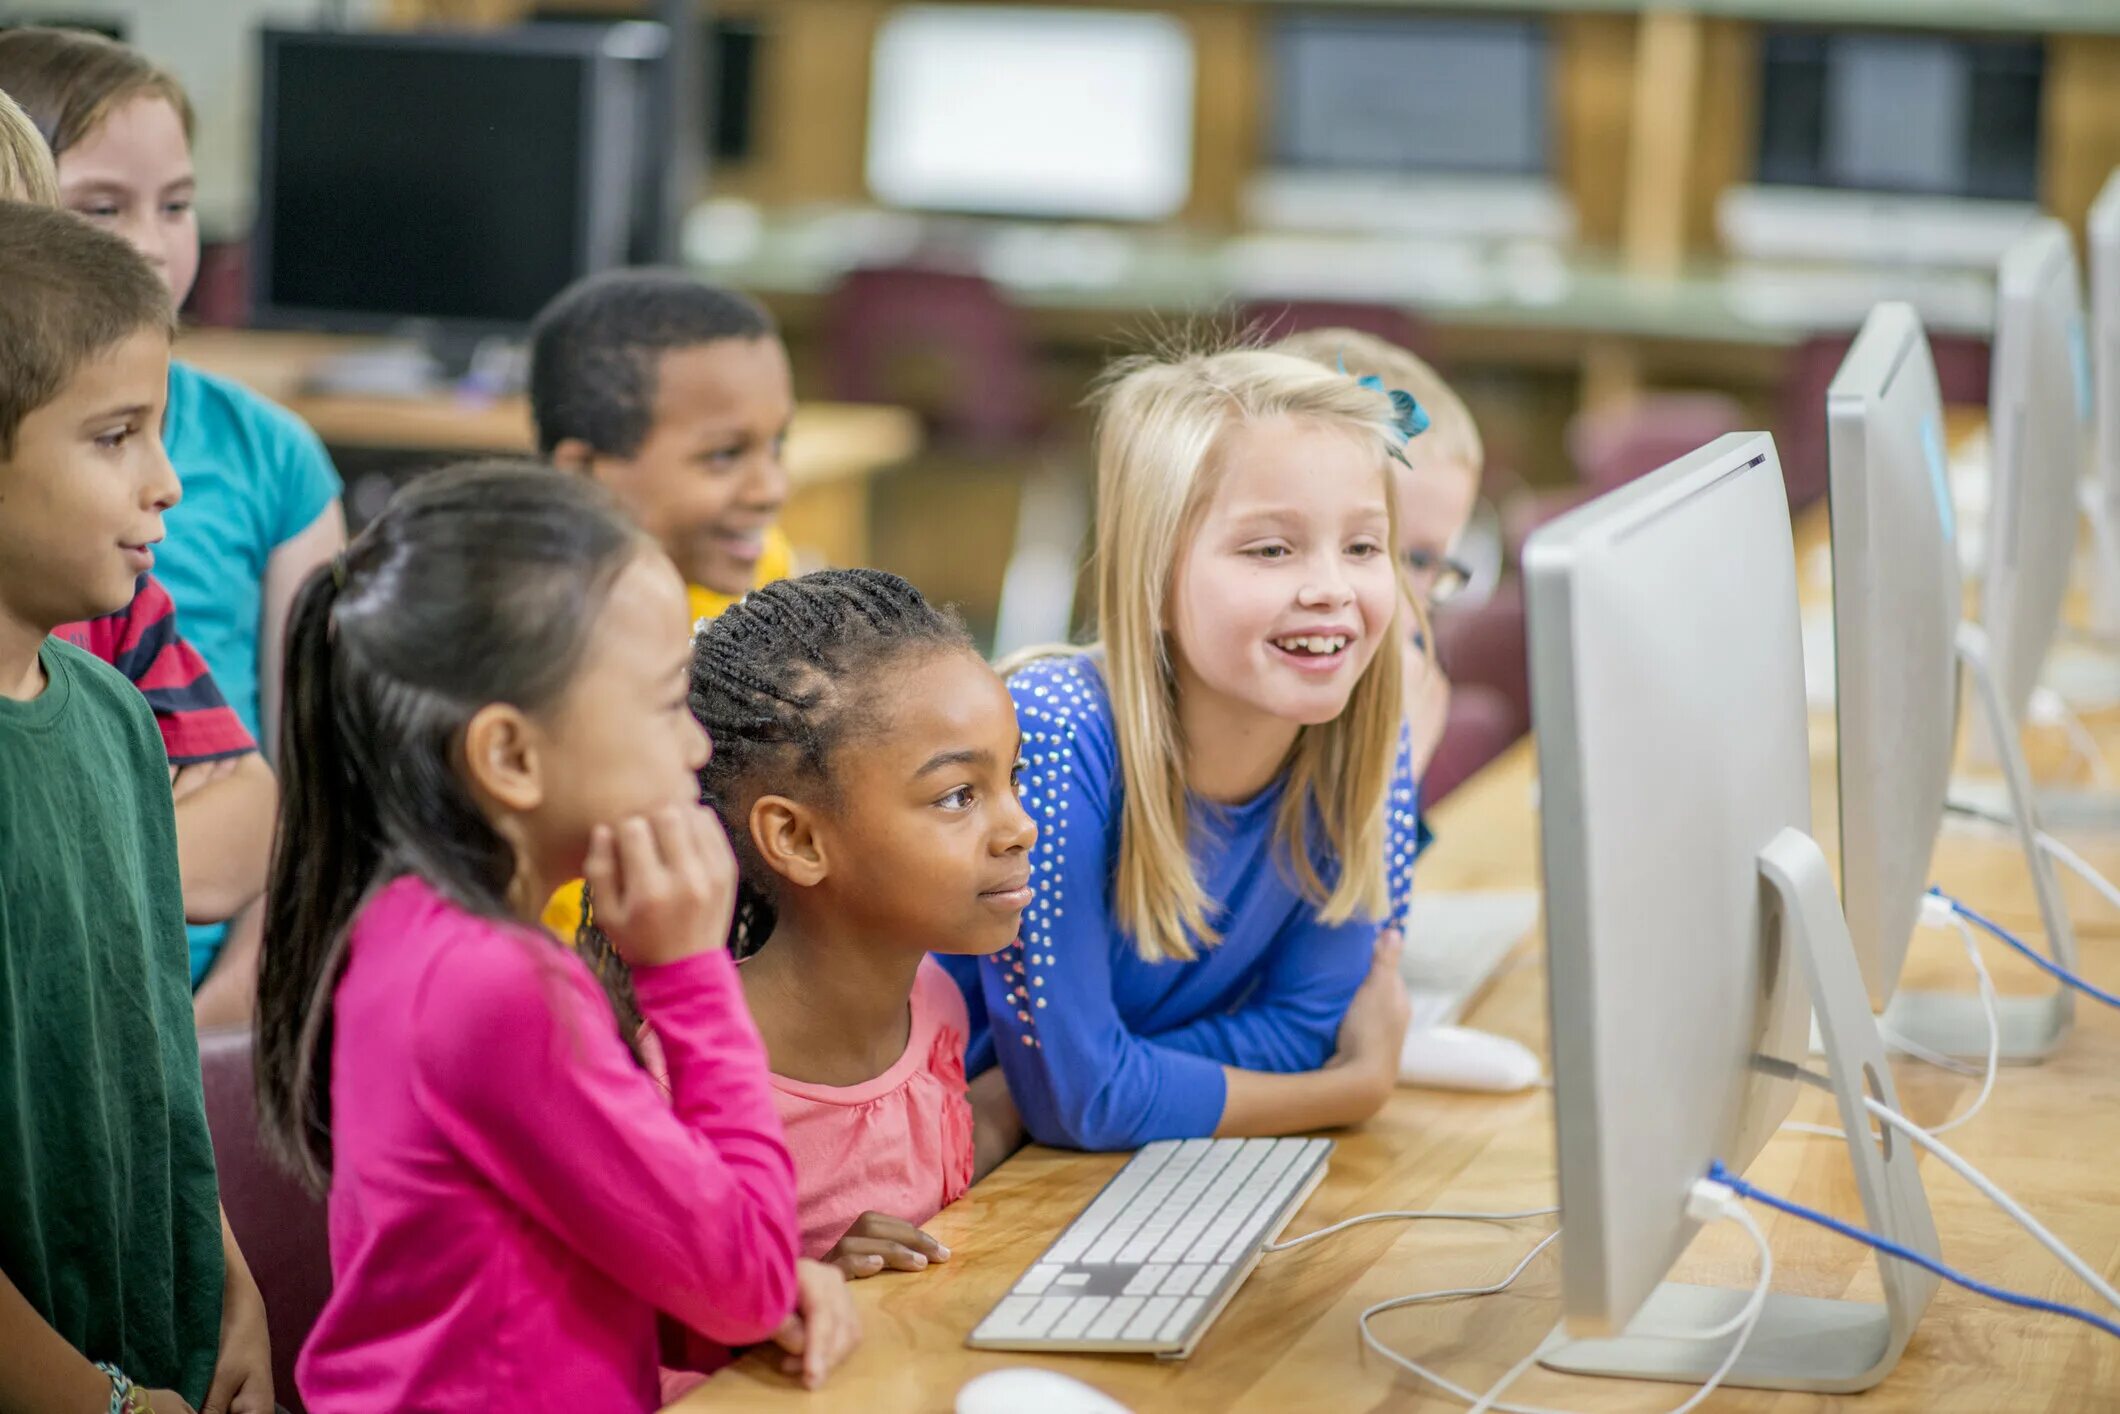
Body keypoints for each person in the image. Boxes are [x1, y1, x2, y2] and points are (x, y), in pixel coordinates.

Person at [252, 462, 856, 1410]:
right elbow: (743, 1272)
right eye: (666, 703)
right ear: (511, 757)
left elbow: (580, 1244)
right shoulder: (494, 984)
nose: (697, 745)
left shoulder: (417, 931)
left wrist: (743, 1294)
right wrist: (690, 975)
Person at [942, 346, 1423, 1151]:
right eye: (1271, 549)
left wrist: (1096, 1079)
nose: (1333, 588)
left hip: (1046, 1165)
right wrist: (1352, 1088)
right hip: (923, 1191)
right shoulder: (1051, 738)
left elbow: (1308, 1030)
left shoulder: (1372, 747)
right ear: (1155, 579)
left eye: (1364, 547)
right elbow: (1082, 1102)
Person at [0, 196, 272, 1414]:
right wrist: (92, 1399)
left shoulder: (114, 716)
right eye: (115, 437)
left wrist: (228, 1281)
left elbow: (149, 1049)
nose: (166, 485)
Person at [685, 569, 1032, 1271]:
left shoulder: (933, 1003)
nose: (1019, 827)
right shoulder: (686, 1087)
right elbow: (638, 1355)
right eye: (959, 796)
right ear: (799, 840)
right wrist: (789, 1298)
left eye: (1013, 779)